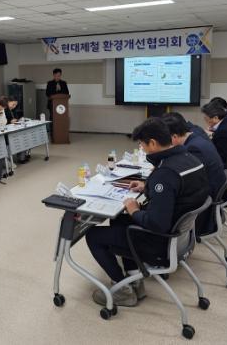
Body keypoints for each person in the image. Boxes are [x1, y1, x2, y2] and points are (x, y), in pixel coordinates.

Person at [86, 118, 209, 307]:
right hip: (181, 239)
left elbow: (157, 223)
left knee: (93, 235)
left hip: (160, 243)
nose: (142, 149)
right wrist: (147, 187)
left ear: (152, 143)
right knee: (119, 220)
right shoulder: (190, 158)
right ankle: (135, 280)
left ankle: (122, 291)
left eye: (142, 145)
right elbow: (178, 191)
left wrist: (135, 211)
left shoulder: (165, 173)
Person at [161, 113, 225, 198]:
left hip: (210, 193)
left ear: (174, 136)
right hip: (212, 184)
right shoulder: (195, 137)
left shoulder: (193, 148)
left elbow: (189, 178)